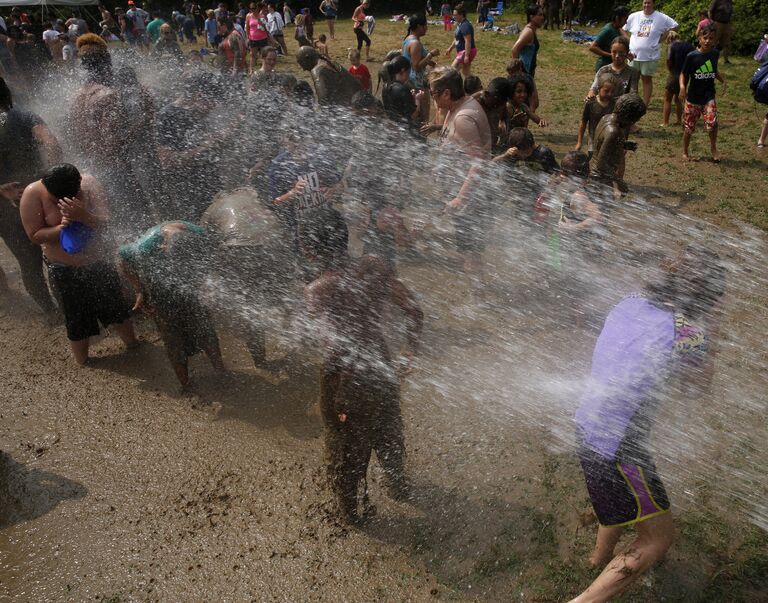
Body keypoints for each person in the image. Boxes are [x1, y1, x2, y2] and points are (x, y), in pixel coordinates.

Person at [569, 245, 725, 603]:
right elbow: (699, 388)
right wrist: (711, 328)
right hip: (619, 449)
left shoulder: (629, 302)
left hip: (586, 426)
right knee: (657, 538)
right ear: (706, 297)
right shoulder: (687, 332)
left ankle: (597, 560)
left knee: (617, 504)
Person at [301, 207, 423, 523]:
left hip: (347, 382)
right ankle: (399, 488)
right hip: (381, 366)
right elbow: (414, 310)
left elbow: (334, 352)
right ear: (345, 238)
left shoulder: (318, 290)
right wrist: (409, 352)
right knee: (388, 433)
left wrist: (334, 402)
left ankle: (351, 517)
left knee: (345, 457)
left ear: (309, 250)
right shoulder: (374, 266)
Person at [19, 164, 137, 365]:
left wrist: (84, 216)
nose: (60, 202)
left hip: (99, 261)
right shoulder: (32, 193)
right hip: (64, 268)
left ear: (79, 185)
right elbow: (34, 235)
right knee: (76, 321)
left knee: (117, 310)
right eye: (55, 199)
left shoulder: (90, 183)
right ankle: (84, 363)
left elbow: (108, 223)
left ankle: (135, 347)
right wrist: (63, 226)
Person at [119, 221, 225, 390]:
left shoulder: (200, 237)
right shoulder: (145, 246)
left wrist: (208, 284)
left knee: (205, 328)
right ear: (164, 246)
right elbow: (122, 259)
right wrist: (139, 291)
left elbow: (214, 261)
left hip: (191, 282)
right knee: (172, 336)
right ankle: (186, 385)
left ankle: (222, 375)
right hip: (159, 287)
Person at [0, 77, 61, 317]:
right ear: (7, 94)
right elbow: (52, 143)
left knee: (28, 262)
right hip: (37, 196)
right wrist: (50, 178)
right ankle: (67, 302)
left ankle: (50, 312)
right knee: (55, 252)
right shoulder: (25, 117)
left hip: (5, 205)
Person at [429, 67, 492, 286]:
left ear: (446, 93)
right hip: (459, 191)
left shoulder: (463, 118)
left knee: (470, 251)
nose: (432, 98)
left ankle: (478, 300)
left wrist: (460, 198)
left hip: (470, 199)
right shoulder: (457, 106)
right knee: (467, 249)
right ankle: (477, 292)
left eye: (433, 93)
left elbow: (479, 163)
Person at [680, 24, 726, 162]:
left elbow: (713, 70)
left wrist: (722, 80)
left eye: (711, 38)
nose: (707, 41)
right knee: (688, 128)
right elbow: (683, 74)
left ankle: (713, 148)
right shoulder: (692, 56)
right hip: (693, 97)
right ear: (699, 38)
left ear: (715, 40)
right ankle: (685, 151)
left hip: (708, 96)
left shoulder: (714, 54)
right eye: (705, 38)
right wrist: (682, 87)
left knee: (712, 123)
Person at [622, 0, 678, 108]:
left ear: (653, 4)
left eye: (649, 3)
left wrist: (663, 37)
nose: (646, 5)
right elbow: (623, 28)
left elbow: (675, 25)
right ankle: (632, 101)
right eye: (644, 2)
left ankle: (645, 104)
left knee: (646, 79)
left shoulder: (661, 17)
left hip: (650, 55)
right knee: (632, 79)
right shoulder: (634, 16)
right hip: (633, 54)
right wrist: (628, 40)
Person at [591, 93, 647, 193]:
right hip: (600, 181)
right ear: (628, 116)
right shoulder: (613, 131)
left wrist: (622, 144)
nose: (635, 122)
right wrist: (619, 182)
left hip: (596, 176)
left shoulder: (606, 118)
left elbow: (603, 143)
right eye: (635, 119)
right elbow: (601, 165)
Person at [402, 14, 439, 120]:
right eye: (425, 25)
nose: (427, 28)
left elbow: (411, 60)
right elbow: (416, 66)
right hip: (417, 84)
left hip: (409, 81)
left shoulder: (408, 39)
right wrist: (430, 54)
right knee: (423, 117)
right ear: (418, 26)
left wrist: (427, 61)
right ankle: (421, 136)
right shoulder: (415, 43)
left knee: (415, 114)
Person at [576, 73, 617, 156]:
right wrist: (579, 142)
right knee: (592, 160)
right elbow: (583, 123)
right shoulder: (591, 104)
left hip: (609, 139)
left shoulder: (615, 104)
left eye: (612, 91)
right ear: (598, 89)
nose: (609, 94)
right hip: (593, 139)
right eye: (606, 91)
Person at [661, 31, 693, 127]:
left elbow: (669, 60)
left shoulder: (672, 46)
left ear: (669, 39)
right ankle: (679, 120)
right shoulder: (688, 45)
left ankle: (665, 122)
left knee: (667, 99)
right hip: (685, 75)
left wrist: (669, 69)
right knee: (678, 99)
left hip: (674, 74)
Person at [493, 127, 558, 173]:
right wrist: (505, 155)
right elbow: (492, 163)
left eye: (526, 152)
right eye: (520, 153)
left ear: (532, 145)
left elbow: (557, 173)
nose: (523, 156)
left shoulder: (543, 153)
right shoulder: (512, 153)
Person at [382, 55, 423, 127]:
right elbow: (413, 115)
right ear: (403, 70)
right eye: (409, 71)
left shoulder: (385, 86)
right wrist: (417, 99)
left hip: (393, 129)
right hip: (405, 130)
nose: (409, 74)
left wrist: (411, 97)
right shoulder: (402, 89)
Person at [473, 77, 511, 150]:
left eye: (500, 103)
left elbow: (505, 116)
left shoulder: (500, 103)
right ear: (487, 93)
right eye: (495, 103)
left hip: (491, 147)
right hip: (475, 148)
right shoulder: (474, 102)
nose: (496, 107)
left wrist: (504, 125)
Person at [589, 6, 630, 72]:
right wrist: (611, 55)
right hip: (605, 66)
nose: (626, 22)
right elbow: (592, 47)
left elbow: (626, 39)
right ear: (617, 18)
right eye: (625, 19)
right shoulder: (608, 29)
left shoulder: (617, 28)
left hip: (614, 66)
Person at [511, 4, 544, 79]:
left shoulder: (532, 30)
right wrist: (518, 73)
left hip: (528, 74)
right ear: (531, 17)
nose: (542, 18)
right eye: (540, 15)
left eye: (543, 15)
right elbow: (514, 50)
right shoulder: (528, 32)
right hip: (524, 74)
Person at [445, 4, 476, 77]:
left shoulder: (465, 26)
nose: (453, 17)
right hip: (464, 51)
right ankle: (476, 85)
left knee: (452, 72)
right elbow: (457, 38)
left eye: (455, 15)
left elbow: (468, 41)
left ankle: (452, 87)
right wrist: (450, 48)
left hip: (466, 51)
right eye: (453, 15)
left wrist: (466, 56)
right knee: (466, 72)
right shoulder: (460, 24)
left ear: (461, 15)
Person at [246, 3, 269, 73]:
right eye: (251, 9)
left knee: (263, 55)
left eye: (253, 8)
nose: (252, 10)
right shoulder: (248, 16)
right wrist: (248, 37)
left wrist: (262, 23)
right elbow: (247, 28)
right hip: (253, 39)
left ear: (257, 8)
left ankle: (264, 70)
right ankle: (251, 71)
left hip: (263, 38)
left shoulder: (262, 16)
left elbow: (267, 27)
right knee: (252, 55)